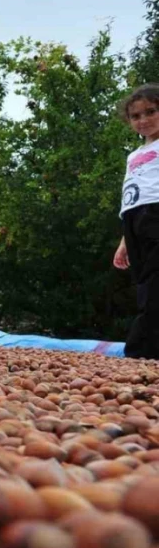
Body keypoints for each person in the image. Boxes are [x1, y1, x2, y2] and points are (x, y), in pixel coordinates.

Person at [115, 83, 159, 359]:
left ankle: (142, 351)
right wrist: (124, 242)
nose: (143, 120)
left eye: (151, 112)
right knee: (144, 282)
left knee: (156, 282)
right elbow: (130, 197)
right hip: (135, 220)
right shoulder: (133, 155)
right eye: (136, 116)